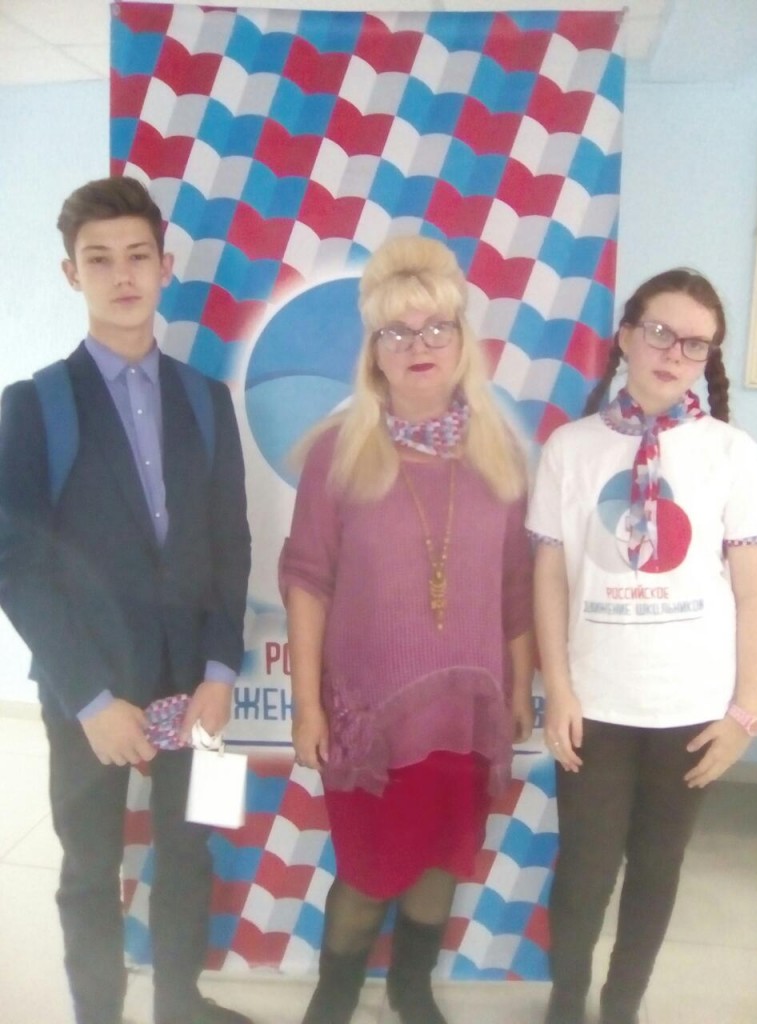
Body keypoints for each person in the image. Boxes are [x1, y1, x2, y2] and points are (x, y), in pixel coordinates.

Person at [0, 177, 253, 1024]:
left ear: (164, 265)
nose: (122, 275)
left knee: (187, 856)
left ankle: (180, 1005)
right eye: (99, 259)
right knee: (88, 869)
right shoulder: (34, 406)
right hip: (88, 690)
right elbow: (17, 565)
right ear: (72, 274)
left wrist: (220, 670)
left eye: (137, 255)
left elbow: (230, 542)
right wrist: (89, 699)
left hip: (193, 684)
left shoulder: (205, 401)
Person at [280, 235, 535, 1024]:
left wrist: (520, 689)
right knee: (368, 876)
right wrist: (307, 706)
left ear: (462, 343)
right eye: (396, 332)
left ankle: (411, 987)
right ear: (373, 353)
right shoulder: (336, 452)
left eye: (435, 328)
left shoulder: (501, 455)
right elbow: (307, 581)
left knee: (439, 868)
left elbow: (517, 587)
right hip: (372, 723)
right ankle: (334, 996)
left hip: (466, 716)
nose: (418, 346)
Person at [527, 268, 757, 1024]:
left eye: (696, 344)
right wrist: (558, 691)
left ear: (709, 358)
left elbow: (755, 591)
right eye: (660, 332)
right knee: (584, 873)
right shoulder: (570, 448)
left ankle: (621, 1007)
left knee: (657, 873)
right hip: (595, 705)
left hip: (693, 710)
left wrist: (746, 713)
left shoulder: (733, 452)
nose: (673, 354)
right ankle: (567, 1000)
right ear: (627, 335)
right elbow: (549, 578)